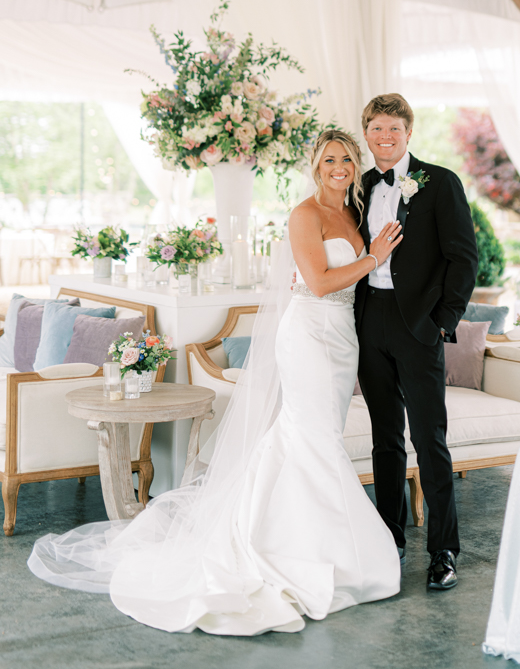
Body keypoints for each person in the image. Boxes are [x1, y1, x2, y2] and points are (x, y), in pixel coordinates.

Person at [28, 129, 402, 635]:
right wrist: (374, 257)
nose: (339, 167)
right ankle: (305, 550)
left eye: (346, 159)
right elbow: (316, 281)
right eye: (330, 159)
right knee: (310, 437)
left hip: (343, 338)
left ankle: (301, 536)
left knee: (319, 438)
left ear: (355, 165)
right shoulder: (305, 214)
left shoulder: (353, 216)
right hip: (310, 335)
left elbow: (353, 283)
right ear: (316, 166)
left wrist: (373, 260)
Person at [355, 93, 478, 591]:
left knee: (430, 440)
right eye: (376, 128)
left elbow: (464, 258)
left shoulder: (440, 182)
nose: (385, 137)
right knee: (385, 440)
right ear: (366, 133)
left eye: (394, 129)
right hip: (370, 321)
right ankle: (389, 540)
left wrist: (442, 321)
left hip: (419, 325)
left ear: (409, 134)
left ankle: (443, 550)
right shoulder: (360, 185)